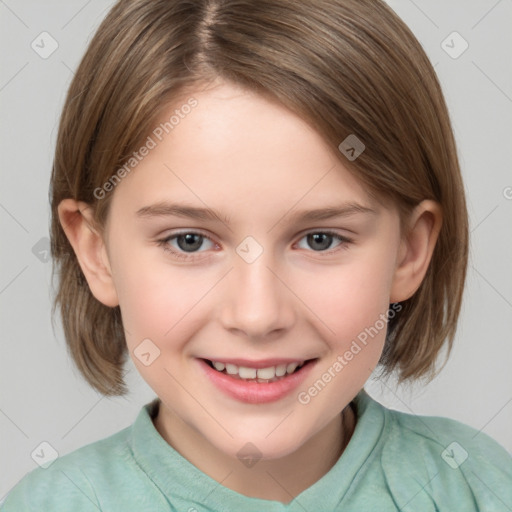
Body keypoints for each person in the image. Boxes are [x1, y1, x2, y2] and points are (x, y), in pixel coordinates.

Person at [2, 0, 511, 510]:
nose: (257, 315)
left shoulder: (478, 486)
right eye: (189, 241)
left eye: (320, 239)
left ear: (410, 250)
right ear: (97, 254)